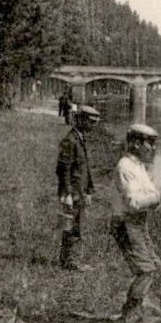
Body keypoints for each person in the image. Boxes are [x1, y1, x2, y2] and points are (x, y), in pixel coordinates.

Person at [111, 123, 161, 323]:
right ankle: (128, 316)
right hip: (126, 223)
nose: (153, 148)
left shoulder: (138, 166)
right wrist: (160, 196)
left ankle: (136, 310)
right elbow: (133, 202)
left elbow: (147, 194)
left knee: (153, 265)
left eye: (153, 143)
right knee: (146, 270)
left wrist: (160, 195)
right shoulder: (125, 167)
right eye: (148, 143)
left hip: (138, 223)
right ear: (134, 144)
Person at [56, 104, 102, 270]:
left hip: (79, 191)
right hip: (73, 192)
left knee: (75, 224)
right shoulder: (70, 141)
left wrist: (89, 190)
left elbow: (85, 168)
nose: (93, 126)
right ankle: (71, 261)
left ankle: (67, 259)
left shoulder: (80, 139)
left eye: (95, 122)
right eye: (90, 122)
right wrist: (67, 194)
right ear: (81, 120)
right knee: (74, 226)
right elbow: (63, 170)